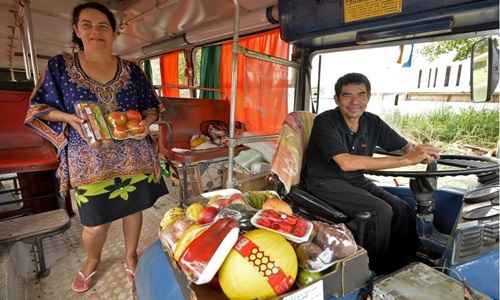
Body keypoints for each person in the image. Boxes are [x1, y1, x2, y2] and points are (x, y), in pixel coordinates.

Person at [24, 2, 168, 292]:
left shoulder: (132, 70)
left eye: (103, 25)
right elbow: (38, 108)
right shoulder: (60, 66)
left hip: (133, 155)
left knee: (133, 209)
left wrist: (146, 122)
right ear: (77, 30)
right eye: (87, 25)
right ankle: (92, 260)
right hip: (89, 158)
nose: (95, 31)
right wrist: (68, 118)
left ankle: (130, 255)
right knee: (94, 222)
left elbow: (152, 107)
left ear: (114, 32)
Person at [303, 73, 440, 274]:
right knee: (380, 211)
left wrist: (421, 151)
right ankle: (375, 268)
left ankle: (406, 258)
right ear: (336, 99)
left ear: (368, 97)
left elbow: (404, 147)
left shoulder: (372, 122)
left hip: (355, 180)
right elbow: (346, 163)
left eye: (361, 94)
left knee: (402, 208)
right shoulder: (326, 122)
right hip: (324, 182)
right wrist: (406, 160)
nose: (355, 101)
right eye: (347, 95)